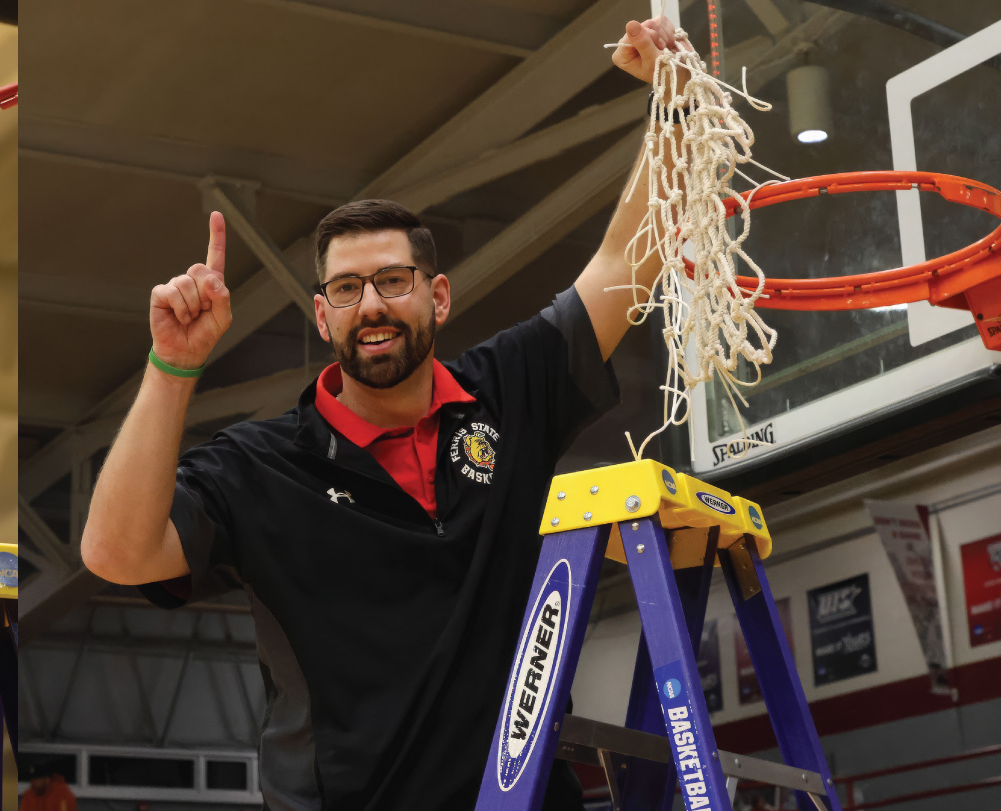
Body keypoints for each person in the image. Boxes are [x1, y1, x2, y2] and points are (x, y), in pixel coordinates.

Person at [78, 16, 689, 811]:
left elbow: (625, 262)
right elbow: (115, 554)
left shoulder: (507, 389)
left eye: (393, 280)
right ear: (323, 316)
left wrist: (674, 107)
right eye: (345, 289)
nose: (370, 304)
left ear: (437, 295)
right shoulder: (260, 466)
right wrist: (173, 365)